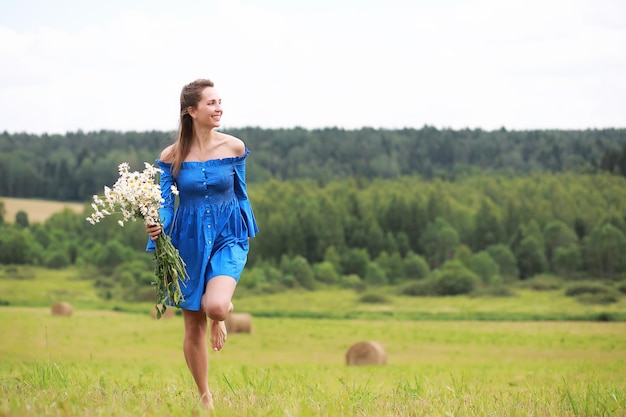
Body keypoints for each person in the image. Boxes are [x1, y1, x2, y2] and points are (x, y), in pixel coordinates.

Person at [145, 78, 258, 409]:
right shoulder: (172, 156)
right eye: (211, 103)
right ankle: (205, 397)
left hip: (228, 235)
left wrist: (246, 229)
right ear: (191, 111)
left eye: (219, 101)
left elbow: (240, 193)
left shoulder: (235, 147)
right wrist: (158, 226)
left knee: (216, 307)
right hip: (188, 240)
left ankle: (220, 315)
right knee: (193, 324)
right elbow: (166, 203)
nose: (218, 107)